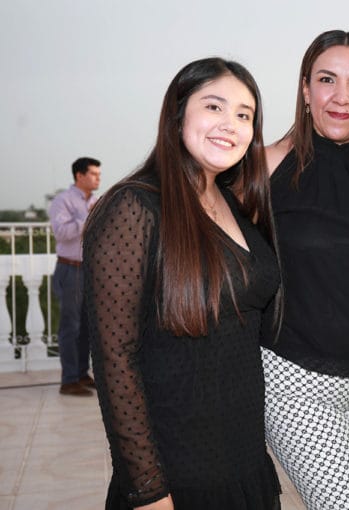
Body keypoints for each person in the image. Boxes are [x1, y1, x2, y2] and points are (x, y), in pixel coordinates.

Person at [82, 58, 281, 510]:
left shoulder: (234, 203)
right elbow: (115, 360)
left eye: (244, 115)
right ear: (177, 115)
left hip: (246, 467)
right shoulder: (133, 207)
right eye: (214, 106)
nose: (230, 124)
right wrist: (148, 489)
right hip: (178, 478)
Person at [261, 30, 349, 510]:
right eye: (327, 80)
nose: (342, 97)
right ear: (305, 90)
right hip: (298, 384)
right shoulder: (265, 165)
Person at [49, 156, 101, 396]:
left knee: (87, 327)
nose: (98, 178)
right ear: (79, 176)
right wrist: (88, 218)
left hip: (90, 270)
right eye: (93, 174)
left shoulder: (97, 202)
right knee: (71, 327)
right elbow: (62, 233)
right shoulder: (63, 200)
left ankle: (81, 374)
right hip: (70, 269)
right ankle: (68, 380)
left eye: (99, 174)